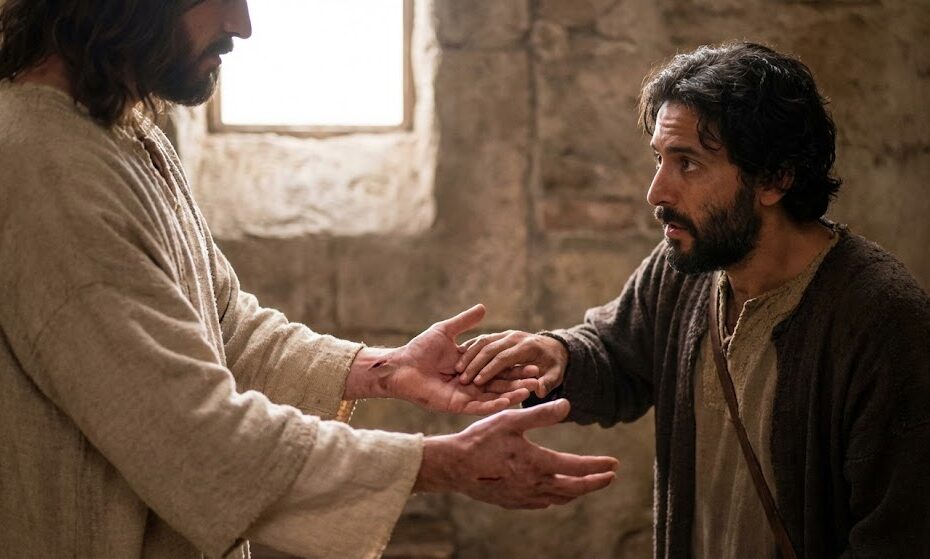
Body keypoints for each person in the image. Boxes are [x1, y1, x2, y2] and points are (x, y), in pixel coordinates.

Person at [0, 1, 619, 558]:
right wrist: (439, 464)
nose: (242, 24)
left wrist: (385, 369)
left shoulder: (118, 133)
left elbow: (225, 327)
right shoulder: (45, 167)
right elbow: (191, 435)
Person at [456, 41, 930, 558]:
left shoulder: (882, 321)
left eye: (689, 164)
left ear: (776, 177)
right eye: (660, 158)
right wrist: (560, 354)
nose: (656, 192)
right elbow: (617, 355)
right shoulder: (683, 269)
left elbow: (898, 536)